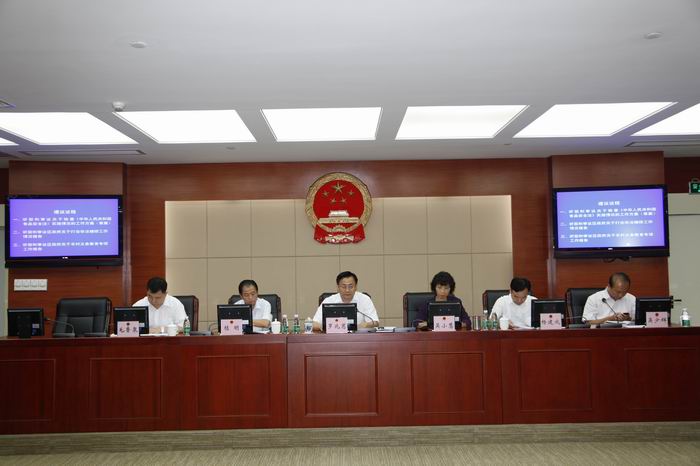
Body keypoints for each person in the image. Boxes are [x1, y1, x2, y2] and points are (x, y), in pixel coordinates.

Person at [312, 271, 379, 331]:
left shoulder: (364, 299)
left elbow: (375, 322)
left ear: (356, 287)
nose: (347, 290)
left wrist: (358, 326)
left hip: (358, 338)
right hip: (334, 338)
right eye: (344, 287)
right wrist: (329, 327)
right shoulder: (329, 301)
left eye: (351, 286)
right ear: (338, 287)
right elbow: (314, 324)